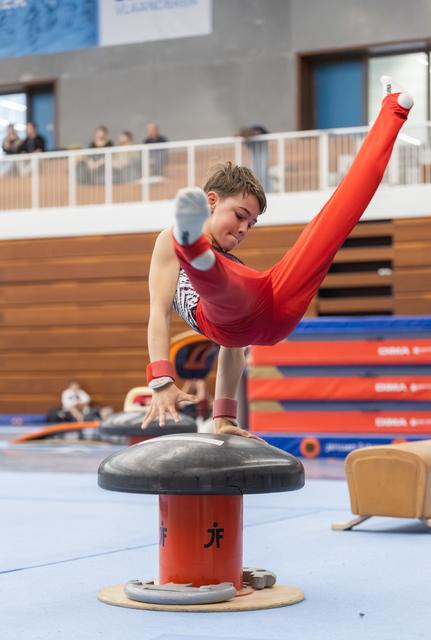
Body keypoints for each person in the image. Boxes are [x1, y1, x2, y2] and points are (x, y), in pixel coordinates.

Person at [143, 79, 413, 439]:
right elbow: (158, 313)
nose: (243, 229)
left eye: (252, 224)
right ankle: (194, 250)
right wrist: (161, 377)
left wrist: (224, 417)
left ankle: (393, 110)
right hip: (230, 312)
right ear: (211, 200)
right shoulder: (169, 242)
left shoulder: (235, 266)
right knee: (217, 281)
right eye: (239, 216)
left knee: (335, 219)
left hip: (269, 308)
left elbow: (234, 349)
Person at [238, 124, 269, 190]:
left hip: (262, 156)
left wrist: (256, 134)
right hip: (256, 158)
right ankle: (258, 188)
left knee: (263, 174)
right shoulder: (251, 140)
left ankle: (265, 189)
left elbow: (266, 133)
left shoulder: (259, 130)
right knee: (255, 174)